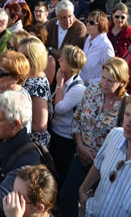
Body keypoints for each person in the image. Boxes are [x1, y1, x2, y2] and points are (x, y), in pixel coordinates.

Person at [60, 57, 129, 216]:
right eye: (103, 77)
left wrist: (99, 156)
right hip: (81, 156)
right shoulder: (91, 90)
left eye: (110, 81)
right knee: (67, 196)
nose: (104, 83)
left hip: (104, 166)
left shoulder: (126, 104)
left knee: (96, 205)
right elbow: (77, 118)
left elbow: (124, 140)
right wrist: (80, 146)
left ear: (122, 82)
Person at [79, 88, 131, 216]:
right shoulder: (115, 135)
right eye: (127, 115)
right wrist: (83, 189)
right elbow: (98, 164)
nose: (128, 123)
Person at [49, 45, 87, 189]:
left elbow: (59, 109)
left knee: (61, 172)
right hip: (57, 131)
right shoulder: (66, 80)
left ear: (70, 65)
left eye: (63, 59)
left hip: (66, 137)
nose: (59, 60)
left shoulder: (78, 88)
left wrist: (58, 85)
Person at [18, 36, 52, 147]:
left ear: (33, 58)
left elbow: (40, 125)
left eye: (22, 57)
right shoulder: (28, 76)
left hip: (31, 144)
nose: (19, 60)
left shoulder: (38, 84)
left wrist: (13, 122)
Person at [80, 11, 115, 84]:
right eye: (87, 21)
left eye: (91, 23)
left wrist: (88, 81)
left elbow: (111, 75)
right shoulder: (89, 37)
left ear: (101, 25)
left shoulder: (106, 46)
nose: (87, 24)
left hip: (95, 89)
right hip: (81, 83)